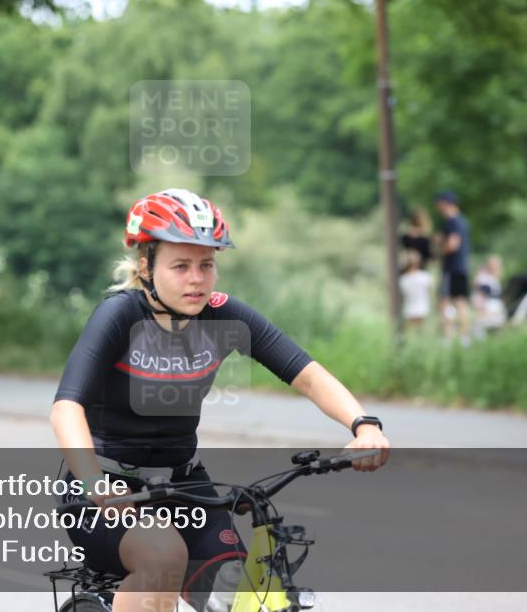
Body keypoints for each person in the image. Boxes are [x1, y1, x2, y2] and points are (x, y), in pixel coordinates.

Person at [50, 188, 390, 612]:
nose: (196, 278)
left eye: (206, 265)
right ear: (146, 267)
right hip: (105, 490)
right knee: (162, 556)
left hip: (184, 485)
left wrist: (363, 424)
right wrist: (95, 484)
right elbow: (67, 407)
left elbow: (306, 374)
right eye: (180, 266)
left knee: (240, 595)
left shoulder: (225, 316)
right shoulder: (119, 315)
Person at [434, 190, 471, 345]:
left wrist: (438, 250)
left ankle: (447, 339)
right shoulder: (463, 221)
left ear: (445, 203)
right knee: (460, 302)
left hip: (451, 268)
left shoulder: (451, 221)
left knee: (444, 302)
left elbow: (452, 244)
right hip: (462, 266)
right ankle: (464, 338)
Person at [472, 256, 506, 339]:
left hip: (495, 311)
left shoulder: (494, 280)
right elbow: (480, 296)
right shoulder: (484, 279)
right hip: (487, 310)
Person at [399, 248, 432, 330]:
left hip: (409, 308)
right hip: (422, 308)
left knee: (410, 330)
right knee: (421, 330)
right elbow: (431, 289)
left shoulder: (403, 279)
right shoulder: (425, 276)